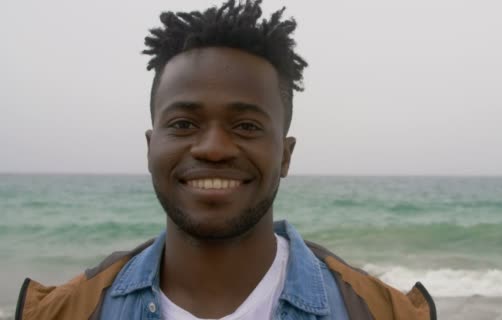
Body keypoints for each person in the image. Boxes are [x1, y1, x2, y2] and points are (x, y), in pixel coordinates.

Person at [16, 1, 435, 319]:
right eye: (182, 124)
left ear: (285, 155)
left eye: (247, 126)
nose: (213, 148)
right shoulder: (65, 311)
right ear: (149, 148)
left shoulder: (380, 312)